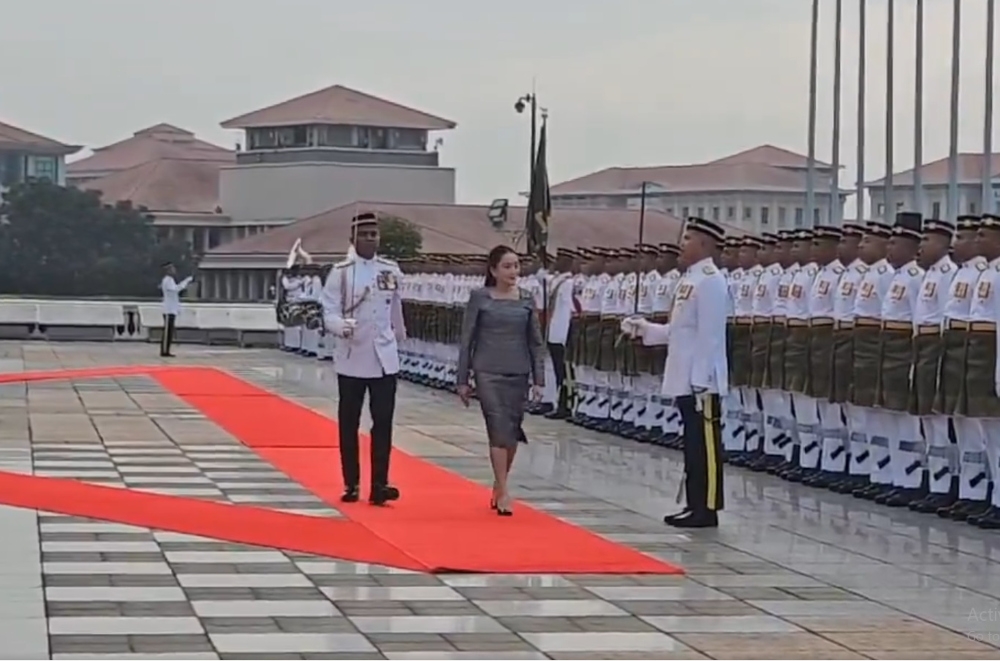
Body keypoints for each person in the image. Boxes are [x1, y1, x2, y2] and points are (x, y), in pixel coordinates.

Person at [622, 217, 729, 529]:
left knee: (705, 446)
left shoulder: (710, 280)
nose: (682, 244)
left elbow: (710, 335)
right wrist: (644, 329)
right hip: (685, 375)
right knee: (692, 444)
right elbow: (679, 331)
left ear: (704, 245)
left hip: (702, 381)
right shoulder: (689, 279)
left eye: (688, 239)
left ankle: (707, 508)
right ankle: (694, 503)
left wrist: (700, 382)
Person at [320, 212, 406, 506]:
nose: (371, 239)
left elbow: (395, 308)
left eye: (374, 234)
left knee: (383, 421)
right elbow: (328, 309)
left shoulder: (390, 270)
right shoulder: (341, 272)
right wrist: (339, 326)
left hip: (383, 355)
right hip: (352, 353)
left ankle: (380, 483)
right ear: (353, 239)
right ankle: (351, 482)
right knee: (349, 422)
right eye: (365, 234)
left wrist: (401, 336)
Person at [455, 245, 545, 517]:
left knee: (512, 429)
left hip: (518, 370)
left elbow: (536, 342)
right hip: (487, 371)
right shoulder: (480, 298)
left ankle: (498, 482)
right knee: (497, 427)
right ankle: (504, 490)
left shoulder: (527, 299)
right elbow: (467, 340)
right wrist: (462, 379)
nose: (513, 272)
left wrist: (539, 379)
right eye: (507, 266)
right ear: (493, 270)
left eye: (516, 266)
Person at [159, 261, 193, 358]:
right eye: (172, 269)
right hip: (168, 310)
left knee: (169, 332)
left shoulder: (170, 280)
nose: (174, 271)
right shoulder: (167, 280)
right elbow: (175, 289)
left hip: (171, 309)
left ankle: (166, 350)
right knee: (167, 332)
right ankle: (164, 350)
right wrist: (185, 282)